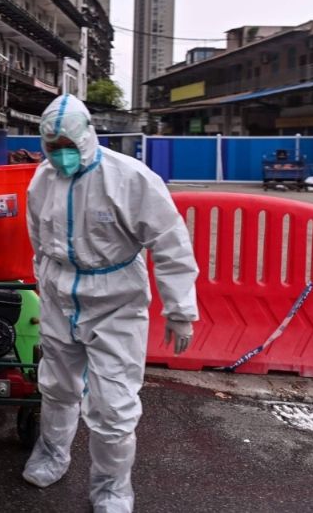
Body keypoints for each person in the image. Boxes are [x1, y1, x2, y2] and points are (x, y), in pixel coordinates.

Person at [22, 94, 198, 512]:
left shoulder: (130, 179)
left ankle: (112, 490)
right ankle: (52, 454)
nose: (60, 156)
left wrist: (180, 311)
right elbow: (38, 240)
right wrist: (44, 284)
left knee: (113, 406)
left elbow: (171, 244)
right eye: (53, 148)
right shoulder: (41, 180)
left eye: (68, 146)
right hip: (60, 297)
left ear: (88, 138)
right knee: (56, 386)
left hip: (116, 301)